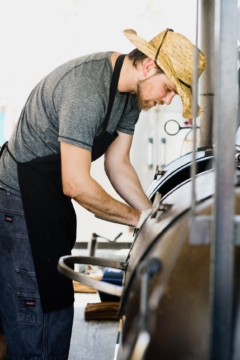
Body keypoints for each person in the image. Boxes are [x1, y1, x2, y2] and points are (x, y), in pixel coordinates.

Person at [0, 27, 206, 359]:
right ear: (149, 65)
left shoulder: (131, 98)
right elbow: (77, 184)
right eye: (169, 89)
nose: (168, 100)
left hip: (49, 200)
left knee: (56, 306)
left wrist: (154, 216)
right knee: (34, 314)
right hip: (18, 198)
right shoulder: (87, 88)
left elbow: (118, 165)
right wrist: (140, 220)